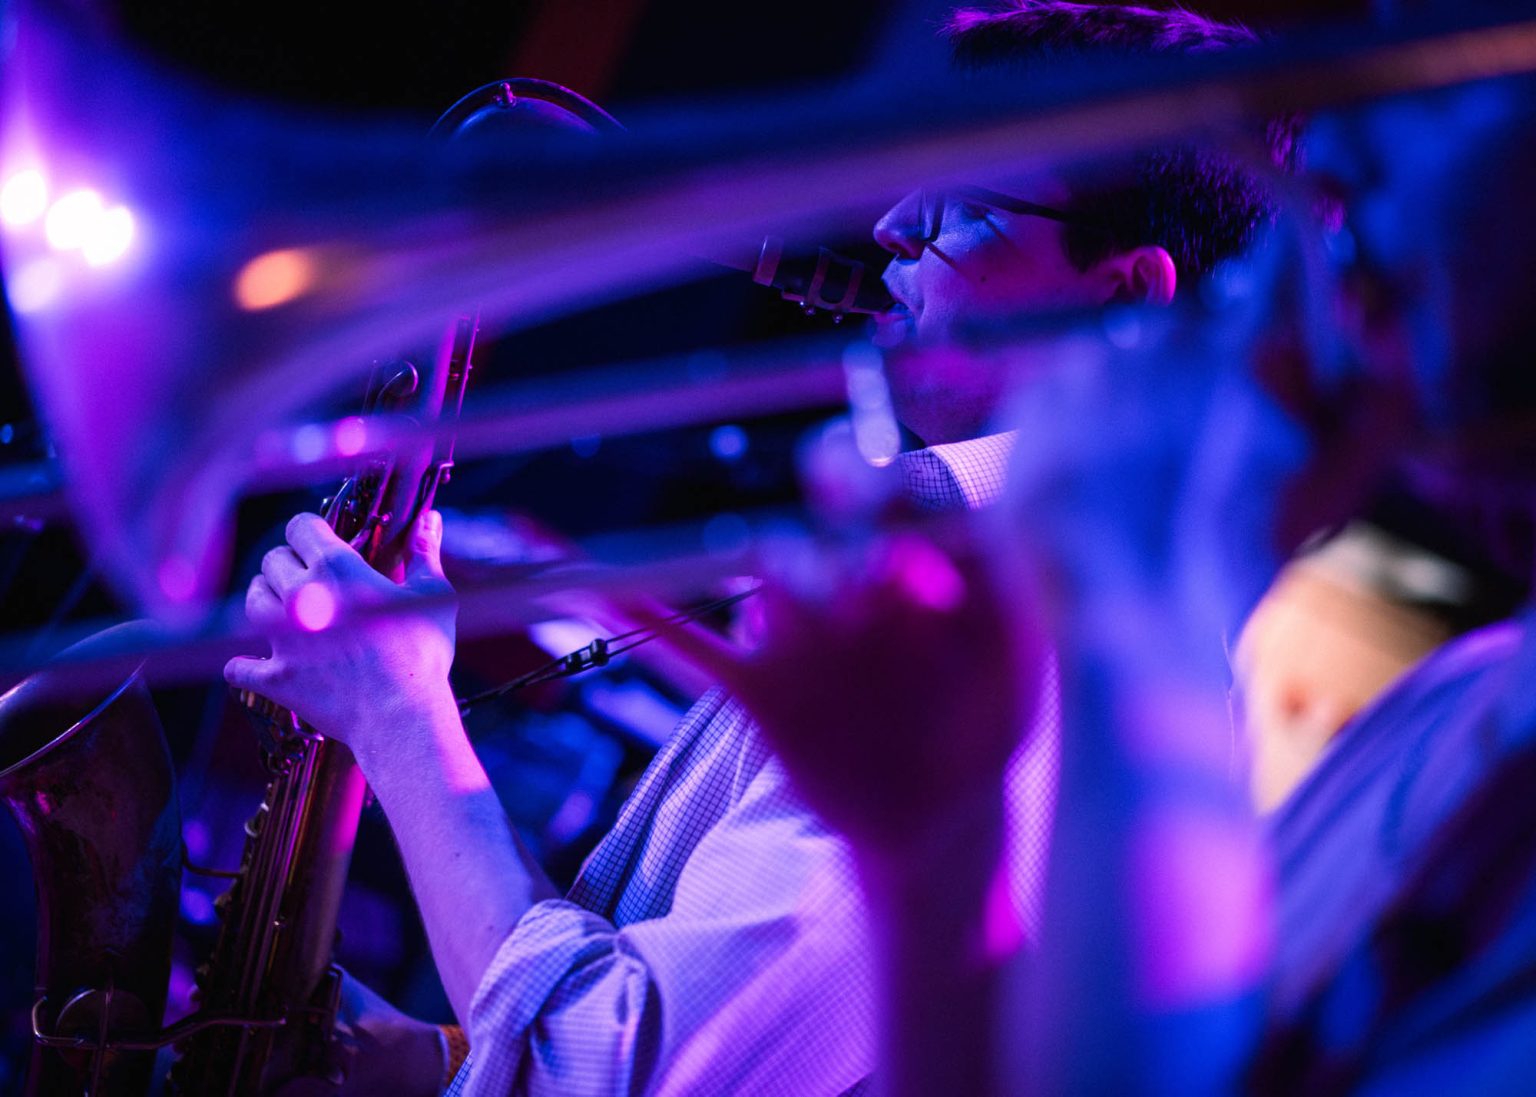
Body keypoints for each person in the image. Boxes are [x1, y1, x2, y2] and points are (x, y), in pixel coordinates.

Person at [222, 5, 1296, 1093]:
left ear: (1119, 299)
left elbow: (615, 1076)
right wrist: (426, 1059)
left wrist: (401, 719)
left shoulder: (1008, 622)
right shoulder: (965, 568)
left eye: (961, 200)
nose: (888, 227)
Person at [660, 70, 1536, 1096]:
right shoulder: (1468, 691)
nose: (1339, 158)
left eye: (1439, 97)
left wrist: (1137, 594)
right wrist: (930, 856)